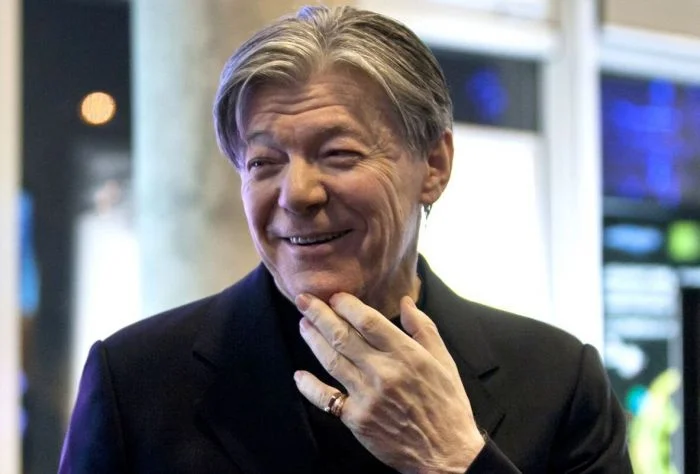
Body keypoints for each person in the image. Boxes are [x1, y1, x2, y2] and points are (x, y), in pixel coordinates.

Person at [59, 5, 633, 473]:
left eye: (338, 154)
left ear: (433, 164)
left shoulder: (557, 381)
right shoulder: (137, 380)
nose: (297, 194)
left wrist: (455, 460)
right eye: (264, 162)